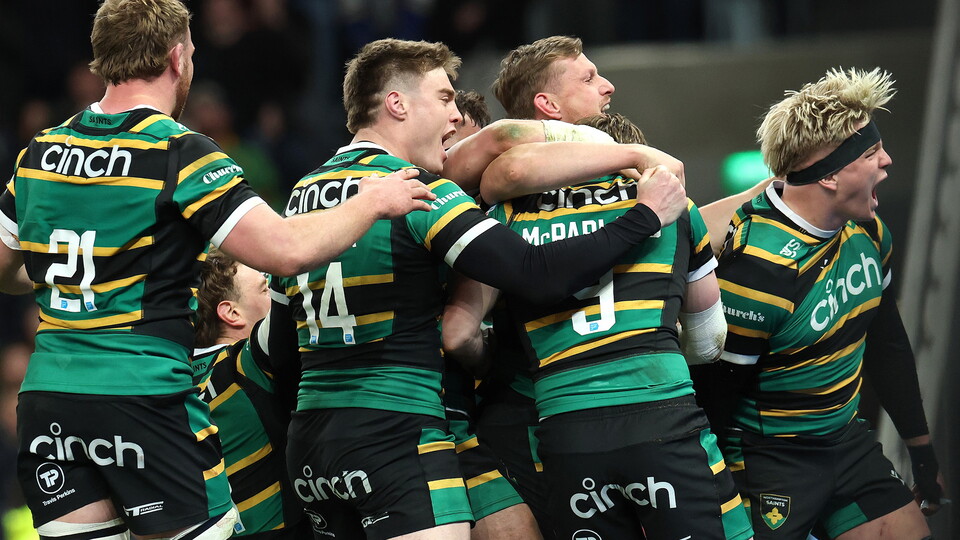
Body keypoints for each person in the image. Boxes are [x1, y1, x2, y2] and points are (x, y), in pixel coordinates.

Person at [0, 1, 436, 538]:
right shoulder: (178, 152)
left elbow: (5, 269)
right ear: (177, 57)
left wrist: (74, 274)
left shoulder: (40, 152)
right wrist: (372, 199)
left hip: (50, 402)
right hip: (143, 397)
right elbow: (285, 251)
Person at [269, 37, 688, 540]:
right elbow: (535, 272)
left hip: (313, 438)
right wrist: (642, 218)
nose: (454, 117)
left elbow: (278, 347)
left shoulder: (299, 196)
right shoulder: (416, 190)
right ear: (397, 104)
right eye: (444, 99)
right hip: (398, 432)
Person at [443, 72, 752, 539]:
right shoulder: (671, 204)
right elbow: (710, 341)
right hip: (660, 413)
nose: (605, 85)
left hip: (562, 427)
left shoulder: (505, 217)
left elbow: (458, 333)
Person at [690, 67, 944, 539]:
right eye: (871, 153)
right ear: (829, 176)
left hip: (846, 440)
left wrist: (921, 452)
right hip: (770, 460)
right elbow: (713, 398)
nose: (887, 161)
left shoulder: (868, 230)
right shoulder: (757, 270)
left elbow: (887, 343)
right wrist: (717, 492)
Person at [192, 249, 310, 538]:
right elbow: (291, 292)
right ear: (231, 313)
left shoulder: (172, 378)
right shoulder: (242, 362)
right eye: (265, 288)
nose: (274, 295)